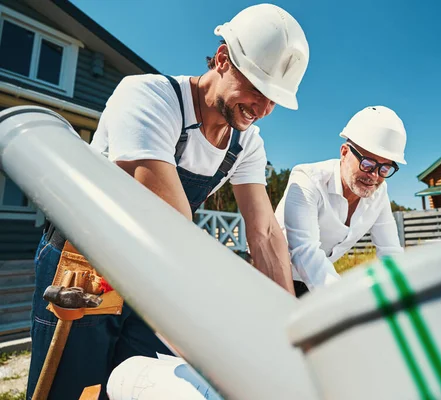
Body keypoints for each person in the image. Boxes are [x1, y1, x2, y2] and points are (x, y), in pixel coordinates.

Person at [27, 4, 310, 399]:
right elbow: (168, 224)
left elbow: (263, 233)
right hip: (87, 265)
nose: (262, 109)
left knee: (143, 385)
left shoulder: (247, 144)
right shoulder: (149, 97)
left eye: (274, 100)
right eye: (258, 90)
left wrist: (293, 330)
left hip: (153, 274)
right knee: (76, 391)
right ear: (224, 59)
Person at [275, 106, 407, 297]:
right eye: (368, 164)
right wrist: (344, 300)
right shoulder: (307, 179)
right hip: (271, 275)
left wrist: (404, 295)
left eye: (385, 169)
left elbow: (390, 252)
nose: (374, 176)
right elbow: (305, 250)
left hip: (318, 281)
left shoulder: (379, 194)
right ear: (344, 152)